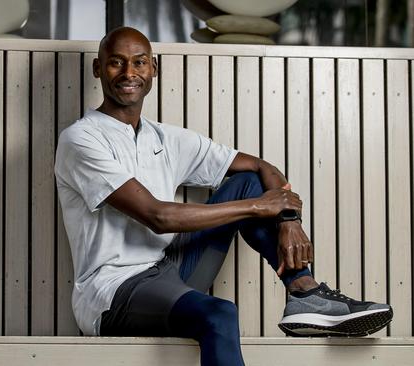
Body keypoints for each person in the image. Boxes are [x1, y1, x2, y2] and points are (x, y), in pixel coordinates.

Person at [54, 26, 392, 366]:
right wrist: (260, 206)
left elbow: (262, 167)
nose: (129, 73)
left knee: (247, 180)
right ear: (99, 69)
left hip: (168, 269)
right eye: (116, 63)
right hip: (113, 292)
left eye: (140, 62)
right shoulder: (81, 139)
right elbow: (158, 217)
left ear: (153, 69)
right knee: (220, 314)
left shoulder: (165, 138)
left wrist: (289, 219)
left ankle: (304, 292)